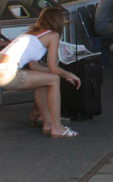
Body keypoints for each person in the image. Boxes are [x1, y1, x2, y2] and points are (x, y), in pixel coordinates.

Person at [0, 7, 81, 138]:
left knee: (46, 80)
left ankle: (47, 122)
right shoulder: (53, 35)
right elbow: (54, 68)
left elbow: (35, 66)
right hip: (9, 72)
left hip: (4, 71)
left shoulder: (30, 33)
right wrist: (68, 74)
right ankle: (57, 127)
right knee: (54, 80)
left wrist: (62, 74)